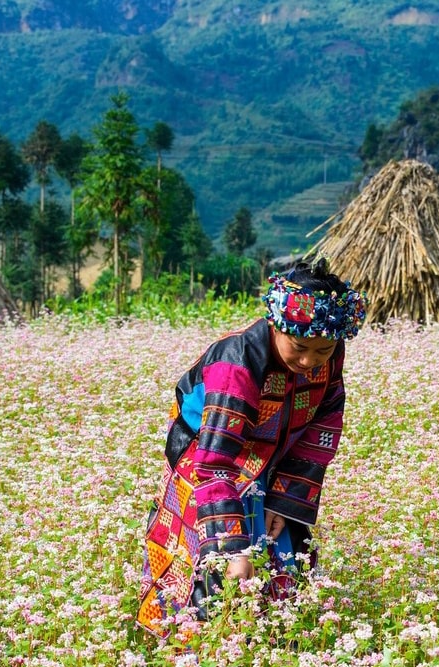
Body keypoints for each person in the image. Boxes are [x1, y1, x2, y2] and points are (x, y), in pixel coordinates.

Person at [138, 261, 367, 638]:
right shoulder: (237, 362)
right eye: (299, 347)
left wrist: (283, 498)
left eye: (323, 350)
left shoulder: (330, 354)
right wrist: (233, 548)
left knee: (284, 546)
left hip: (272, 458)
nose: (310, 362)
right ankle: (191, 656)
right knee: (209, 564)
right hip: (204, 457)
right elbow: (213, 465)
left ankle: (274, 643)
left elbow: (323, 424)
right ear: (277, 327)